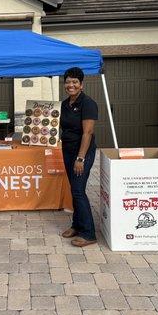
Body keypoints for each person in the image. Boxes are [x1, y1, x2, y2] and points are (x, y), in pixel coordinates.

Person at [60, 67, 98, 247]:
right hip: (67, 150)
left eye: (75, 82)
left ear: (81, 85)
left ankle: (89, 233)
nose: (71, 85)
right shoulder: (64, 104)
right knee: (74, 188)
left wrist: (80, 158)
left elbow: (87, 133)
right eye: (68, 82)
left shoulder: (88, 103)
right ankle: (76, 225)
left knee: (78, 190)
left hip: (82, 151)